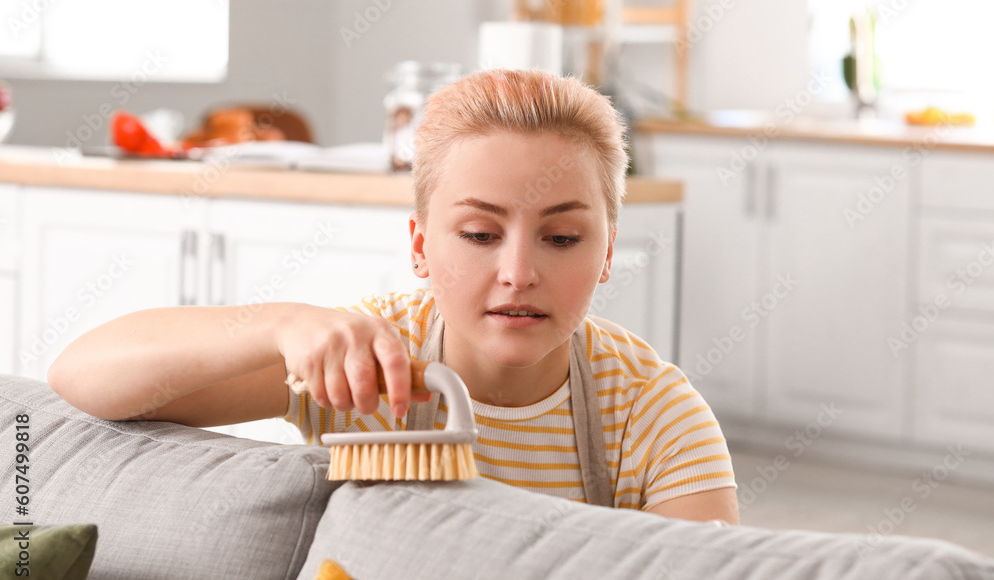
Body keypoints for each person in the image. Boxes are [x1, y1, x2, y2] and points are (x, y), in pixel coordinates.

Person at [48, 69, 738, 524]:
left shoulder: (655, 416)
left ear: (608, 250)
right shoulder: (369, 365)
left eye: (561, 238)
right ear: (419, 247)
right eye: (477, 232)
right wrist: (283, 322)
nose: (518, 271)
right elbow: (82, 374)